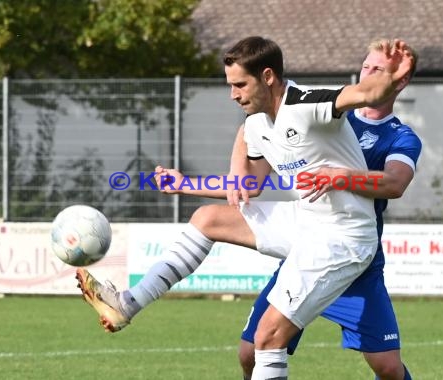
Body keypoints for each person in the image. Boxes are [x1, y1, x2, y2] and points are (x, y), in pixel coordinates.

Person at [76, 36, 414, 379]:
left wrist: (392, 76)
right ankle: (128, 304)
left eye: (240, 84)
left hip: (343, 238)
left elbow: (365, 95)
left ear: (267, 76)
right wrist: (184, 184)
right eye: (230, 85)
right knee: (208, 219)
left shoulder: (307, 104)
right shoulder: (256, 122)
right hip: (305, 223)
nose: (233, 94)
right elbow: (247, 187)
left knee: (271, 337)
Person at [235, 38, 421, 380]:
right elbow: (256, 137)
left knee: (388, 368)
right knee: (251, 351)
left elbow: (394, 184)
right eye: (365, 66)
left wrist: (341, 178)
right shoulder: (332, 115)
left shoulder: (401, 138)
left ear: (399, 79)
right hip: (309, 245)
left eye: (378, 69)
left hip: (352, 254)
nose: (368, 73)